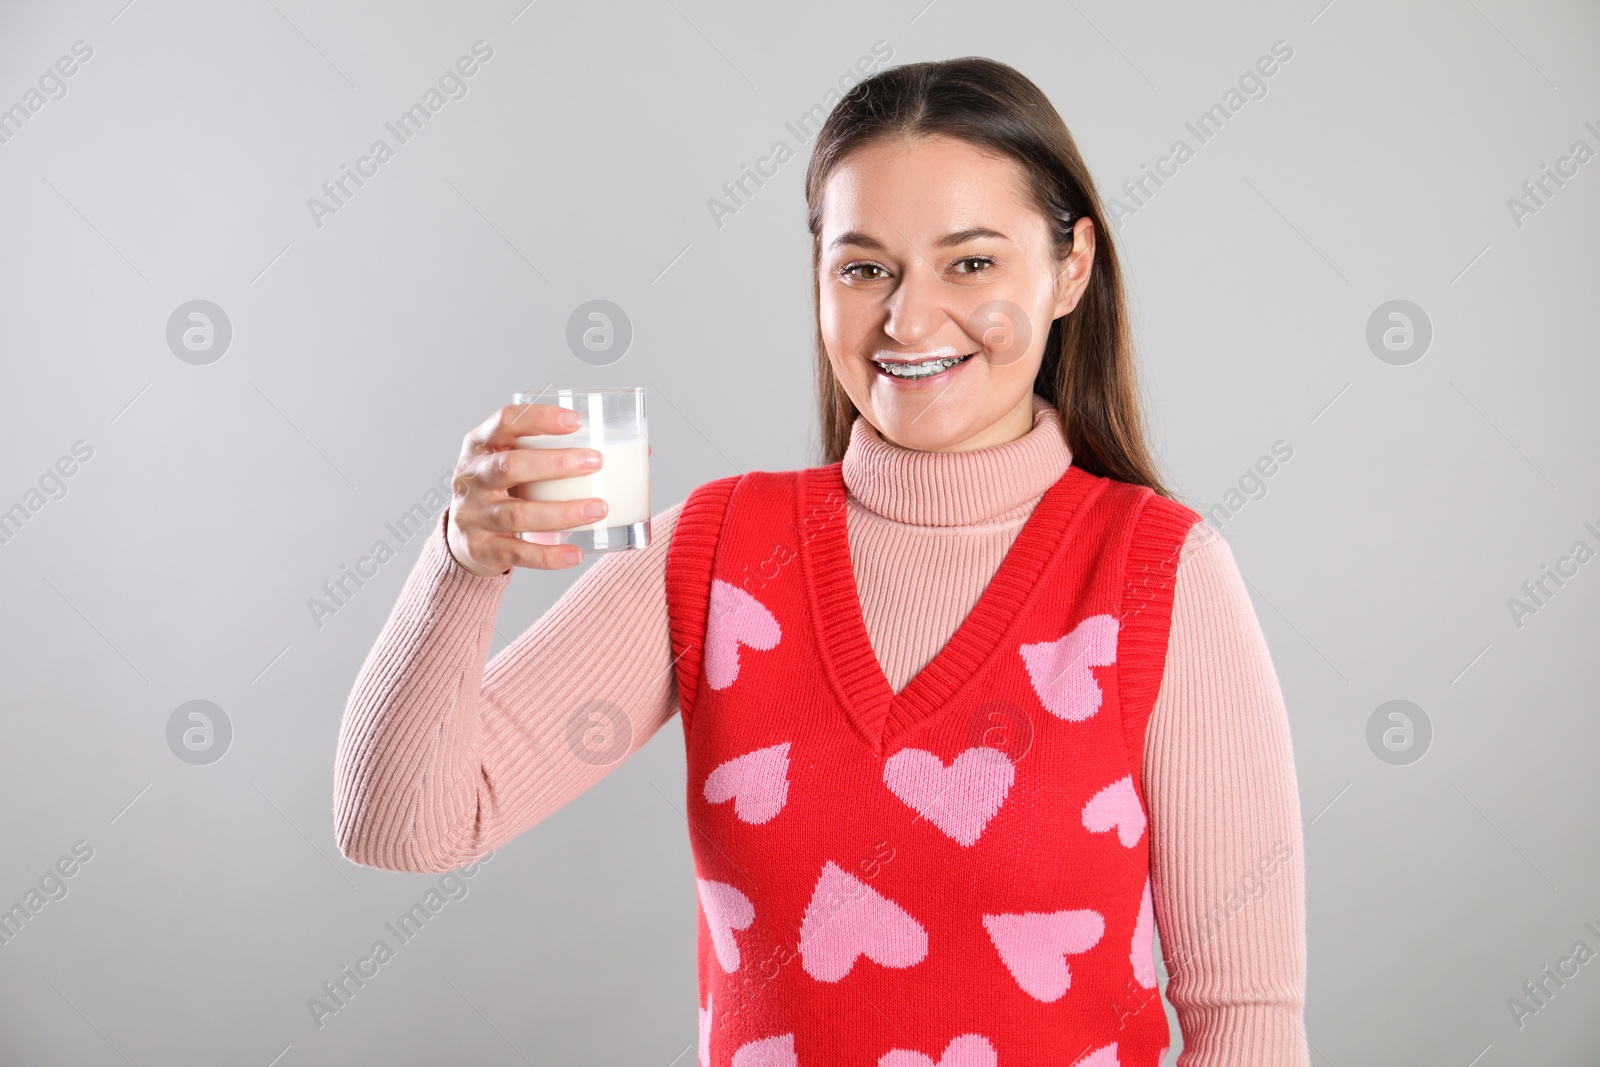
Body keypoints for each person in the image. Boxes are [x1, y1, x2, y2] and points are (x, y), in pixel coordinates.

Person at [335, 56, 1309, 1067]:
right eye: (864, 267)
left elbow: (1248, 1019)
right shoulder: (715, 552)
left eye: (970, 263)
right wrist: (459, 564)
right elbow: (405, 827)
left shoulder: (1161, 570)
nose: (907, 318)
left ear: (1070, 268)